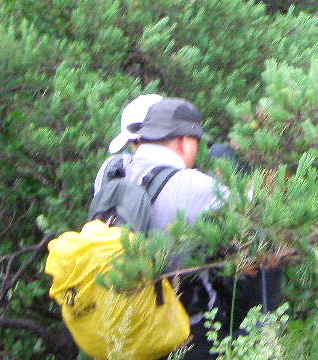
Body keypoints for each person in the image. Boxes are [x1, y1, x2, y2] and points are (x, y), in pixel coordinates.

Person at [91, 96, 279, 359]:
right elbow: (266, 213)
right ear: (184, 142)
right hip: (181, 334)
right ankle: (266, 337)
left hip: (117, 323)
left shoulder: (109, 173)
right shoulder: (193, 186)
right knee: (269, 253)